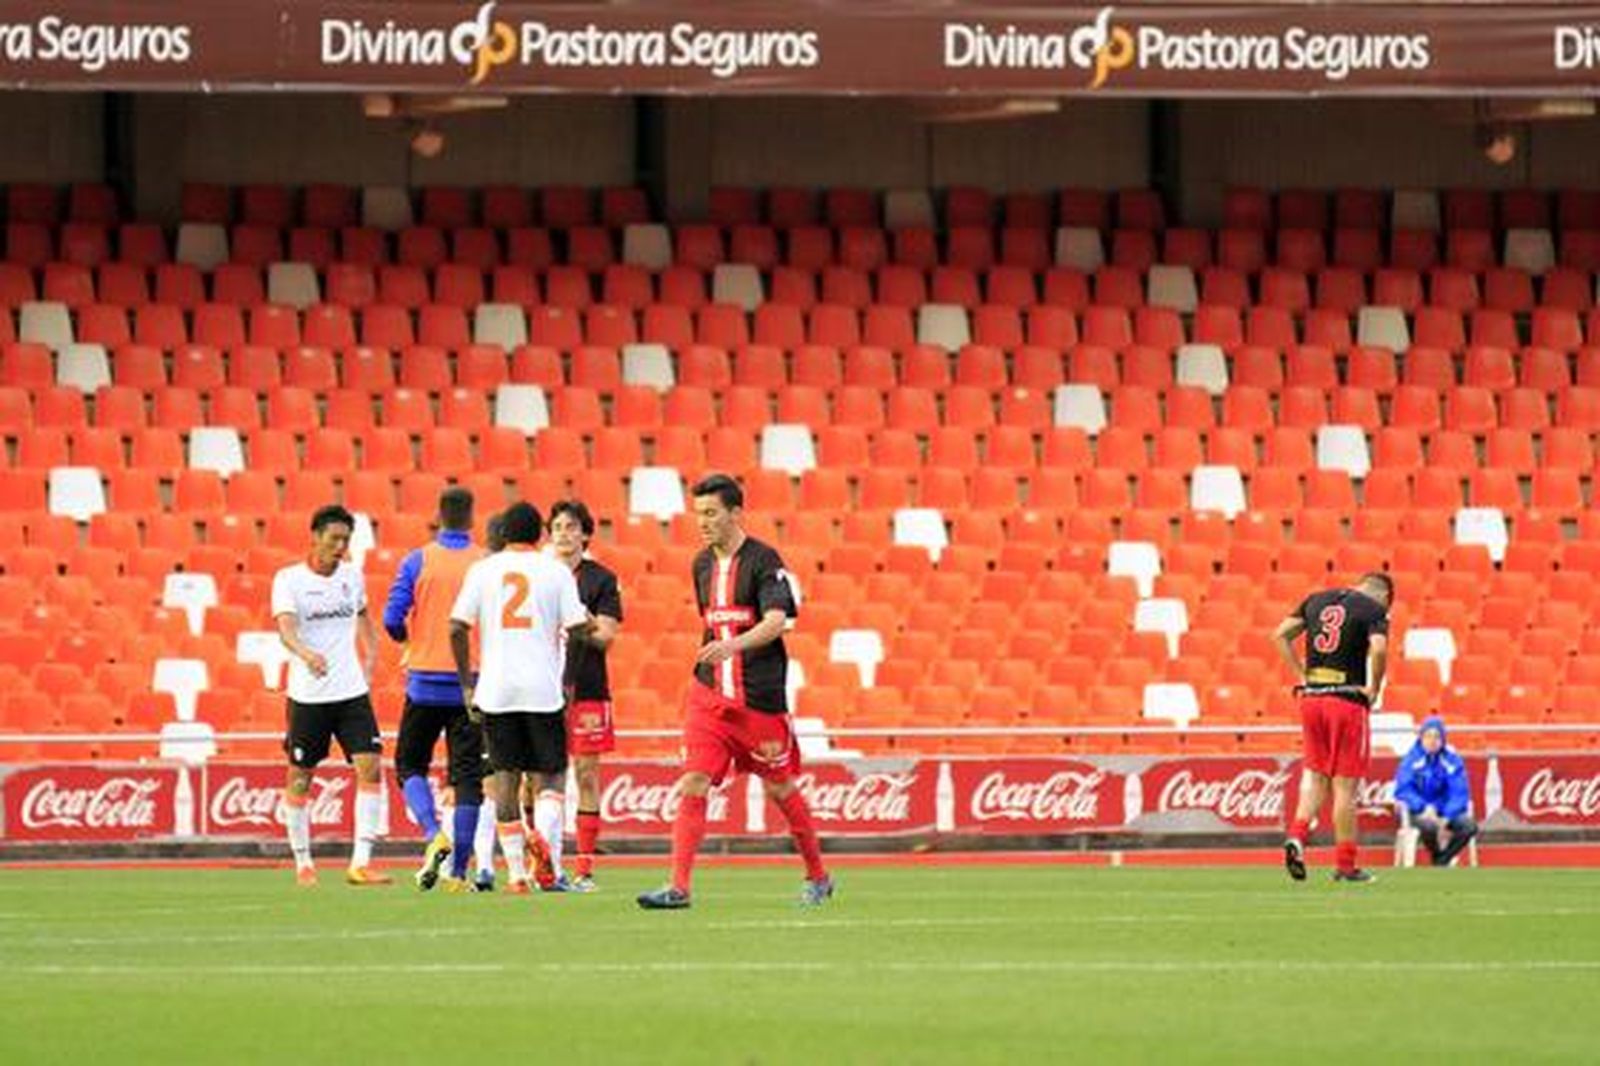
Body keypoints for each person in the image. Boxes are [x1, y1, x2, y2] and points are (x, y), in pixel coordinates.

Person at [637, 474, 833, 910]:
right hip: (708, 698)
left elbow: (777, 620)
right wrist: (718, 650)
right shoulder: (700, 564)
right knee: (693, 781)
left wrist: (732, 645)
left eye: (711, 513)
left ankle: (818, 875)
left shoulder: (765, 560)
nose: (702, 522)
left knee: (780, 789)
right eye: (698, 514)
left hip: (758, 701)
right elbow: (712, 620)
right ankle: (678, 888)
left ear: (735, 513)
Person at [449, 502, 592, 895]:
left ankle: (515, 874)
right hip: (543, 689)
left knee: (505, 781)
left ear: (504, 534)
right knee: (550, 777)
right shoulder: (556, 571)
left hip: (496, 690)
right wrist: (568, 682)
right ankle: (545, 859)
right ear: (539, 535)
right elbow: (579, 630)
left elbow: (457, 627)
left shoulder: (482, 570)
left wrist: (466, 683)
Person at [272, 504, 390, 887]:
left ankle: (360, 863)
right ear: (315, 536)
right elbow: (286, 629)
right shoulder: (289, 580)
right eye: (334, 538)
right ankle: (303, 861)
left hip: (350, 692)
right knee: (301, 776)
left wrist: (371, 659)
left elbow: (365, 623)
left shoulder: (352, 577)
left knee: (370, 765)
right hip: (308, 695)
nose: (340, 546)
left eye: (345, 540)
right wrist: (306, 654)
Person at [383, 486, 487, 891]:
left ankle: (432, 834)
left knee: (409, 764)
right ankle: (460, 870)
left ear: (439, 517)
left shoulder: (417, 560)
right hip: (472, 686)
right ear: (471, 517)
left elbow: (392, 617)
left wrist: (409, 640)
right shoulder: (485, 563)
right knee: (467, 779)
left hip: (425, 683)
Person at [1272, 572, 1394, 885]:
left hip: (1312, 699)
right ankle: (1346, 865)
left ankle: (1297, 836)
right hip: (1347, 700)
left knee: (1316, 779)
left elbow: (1280, 634)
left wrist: (1301, 675)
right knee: (1344, 789)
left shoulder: (1317, 599)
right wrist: (1374, 687)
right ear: (1383, 596)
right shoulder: (1374, 610)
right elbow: (1379, 650)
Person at [544, 499, 622, 892]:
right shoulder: (536, 575)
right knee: (535, 777)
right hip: (540, 687)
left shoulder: (601, 580)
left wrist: (576, 611)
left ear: (586, 534)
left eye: (572, 526)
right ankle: (540, 860)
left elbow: (606, 637)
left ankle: (585, 869)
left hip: (588, 687)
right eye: (557, 526)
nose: (563, 533)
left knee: (586, 774)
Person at [1394, 715, 1478, 867]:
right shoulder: (1411, 760)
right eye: (1428, 736)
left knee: (1469, 826)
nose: (1432, 740)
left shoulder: (1452, 761)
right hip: (1419, 812)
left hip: (1445, 811)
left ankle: (1442, 859)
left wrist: (1447, 815)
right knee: (1428, 827)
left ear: (1443, 739)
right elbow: (1404, 790)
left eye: (1436, 736)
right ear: (1421, 738)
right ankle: (1438, 856)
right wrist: (1423, 807)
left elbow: (1459, 792)